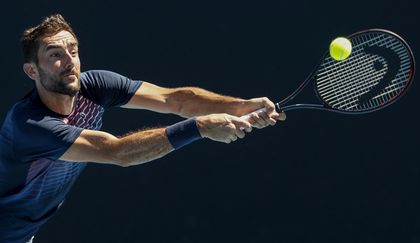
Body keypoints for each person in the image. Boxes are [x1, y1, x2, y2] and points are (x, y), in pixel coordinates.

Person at [0, 14, 286, 242]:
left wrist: (242, 106)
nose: (69, 61)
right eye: (54, 55)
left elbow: (174, 99)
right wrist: (199, 128)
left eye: (72, 50)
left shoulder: (95, 85)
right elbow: (118, 152)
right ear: (32, 71)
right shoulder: (30, 126)